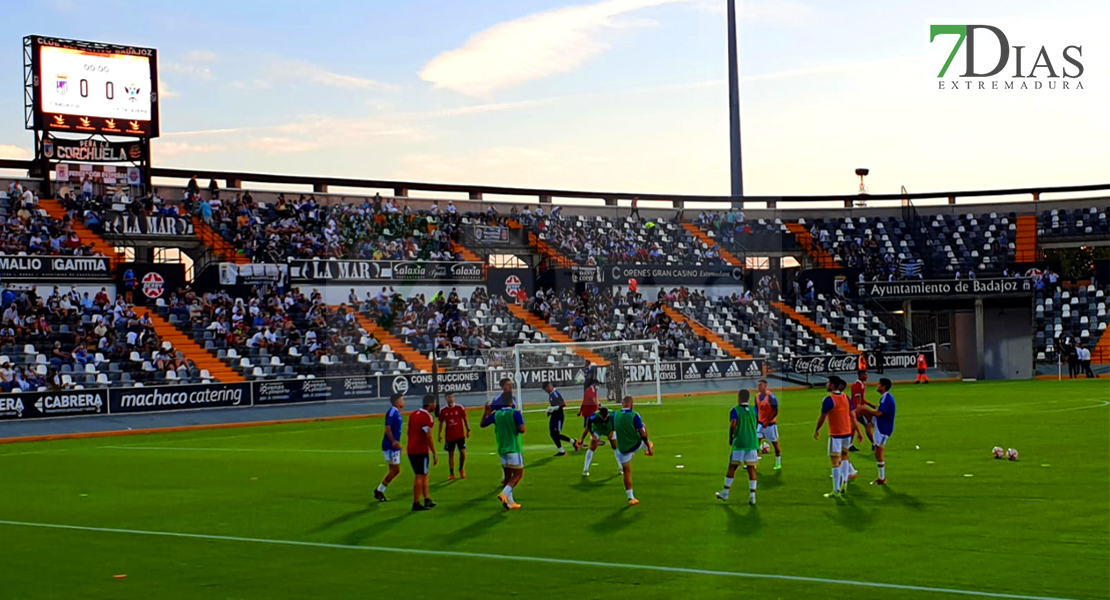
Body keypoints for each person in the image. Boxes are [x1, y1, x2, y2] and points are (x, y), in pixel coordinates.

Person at [814, 376, 860, 498]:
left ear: (833, 385)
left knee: (835, 462)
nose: (826, 384)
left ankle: (836, 490)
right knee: (845, 457)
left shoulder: (829, 400)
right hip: (847, 433)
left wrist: (817, 429)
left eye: (828, 382)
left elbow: (822, 417)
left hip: (836, 434)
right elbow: (852, 416)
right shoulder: (846, 398)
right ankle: (844, 483)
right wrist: (859, 432)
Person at [481, 397, 526, 510]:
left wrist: (487, 410)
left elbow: (483, 423)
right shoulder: (515, 413)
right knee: (518, 475)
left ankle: (510, 502)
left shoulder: (497, 415)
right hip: (513, 449)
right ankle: (504, 494)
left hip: (502, 450)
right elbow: (522, 429)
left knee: (507, 476)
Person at [717, 389, 759, 505]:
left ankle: (725, 492)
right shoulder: (754, 410)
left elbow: (733, 425)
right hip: (752, 443)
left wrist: (731, 437)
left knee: (732, 467)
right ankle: (752, 496)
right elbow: (756, 423)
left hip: (740, 443)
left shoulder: (735, 410)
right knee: (751, 469)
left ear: (739, 397)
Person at [615, 395, 654, 506]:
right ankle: (647, 449)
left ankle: (630, 497)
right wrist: (648, 445)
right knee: (644, 429)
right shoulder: (634, 415)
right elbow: (642, 434)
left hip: (622, 448)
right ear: (632, 404)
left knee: (626, 472)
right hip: (635, 445)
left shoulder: (616, 414)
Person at [858, 378, 896, 485]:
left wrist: (866, 410)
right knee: (878, 452)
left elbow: (879, 414)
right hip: (882, 426)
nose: (877, 385)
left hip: (883, 428)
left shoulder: (886, 398)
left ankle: (882, 478)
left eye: (879, 384)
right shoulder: (886, 398)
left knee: (878, 453)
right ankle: (881, 477)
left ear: (883, 387)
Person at [407, 394, 438, 512]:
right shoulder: (427, 417)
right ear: (430, 404)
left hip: (411, 449)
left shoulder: (413, 414)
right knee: (420, 475)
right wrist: (434, 452)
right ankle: (416, 502)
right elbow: (428, 436)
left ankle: (427, 499)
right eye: (434, 403)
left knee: (424, 474)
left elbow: (409, 431)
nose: (435, 405)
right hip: (420, 450)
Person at [374, 393, 405, 502]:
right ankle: (379, 490)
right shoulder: (392, 412)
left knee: (392, 469)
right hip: (391, 445)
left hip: (391, 445)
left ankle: (381, 491)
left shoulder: (396, 412)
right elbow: (387, 428)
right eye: (402, 399)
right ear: (397, 401)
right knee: (396, 470)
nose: (403, 401)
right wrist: (394, 442)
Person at [437, 392, 470, 480]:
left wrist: (468, 429)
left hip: (460, 435)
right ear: (446, 398)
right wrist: (439, 434)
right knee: (451, 454)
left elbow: (465, 418)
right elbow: (441, 423)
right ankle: (451, 473)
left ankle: (461, 468)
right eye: (449, 397)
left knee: (463, 452)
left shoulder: (459, 408)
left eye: (452, 397)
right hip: (449, 436)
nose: (451, 398)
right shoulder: (443, 410)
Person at [580, 406, 621, 476]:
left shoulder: (614, 415)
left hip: (609, 429)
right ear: (600, 415)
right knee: (592, 447)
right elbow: (588, 426)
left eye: (606, 417)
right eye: (603, 417)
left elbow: (619, 423)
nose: (604, 419)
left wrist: (612, 431)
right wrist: (592, 435)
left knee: (615, 447)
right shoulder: (593, 416)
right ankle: (585, 469)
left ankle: (621, 467)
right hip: (597, 430)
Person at [544, 382, 580, 456]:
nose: (546, 391)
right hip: (554, 416)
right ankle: (563, 450)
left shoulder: (555, 394)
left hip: (558, 417)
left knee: (556, 434)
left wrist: (555, 408)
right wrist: (550, 412)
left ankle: (572, 443)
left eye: (546, 389)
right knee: (553, 434)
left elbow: (563, 404)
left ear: (549, 387)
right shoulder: (551, 394)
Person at [754, 379, 782, 470]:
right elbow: (756, 410)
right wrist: (756, 422)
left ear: (765, 386)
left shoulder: (771, 397)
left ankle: (778, 463)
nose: (759, 387)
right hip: (760, 424)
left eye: (760, 385)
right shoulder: (757, 397)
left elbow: (775, 411)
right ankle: (754, 462)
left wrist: (768, 421)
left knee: (775, 443)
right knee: (756, 443)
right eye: (758, 385)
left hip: (770, 425)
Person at [849, 370, 876, 452]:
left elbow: (861, 398)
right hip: (858, 410)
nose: (867, 376)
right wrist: (858, 409)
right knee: (867, 425)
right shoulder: (858, 385)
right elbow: (858, 398)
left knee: (853, 427)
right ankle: (874, 444)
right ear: (861, 375)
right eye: (865, 375)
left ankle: (849, 445)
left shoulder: (859, 384)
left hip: (855, 409)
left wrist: (870, 404)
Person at [577, 378, 600, 447]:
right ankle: (582, 442)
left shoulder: (593, 390)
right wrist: (598, 407)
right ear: (594, 384)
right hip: (588, 412)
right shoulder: (589, 390)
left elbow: (595, 399)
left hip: (591, 412)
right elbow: (592, 400)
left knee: (591, 427)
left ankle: (595, 439)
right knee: (588, 427)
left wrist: (598, 405)